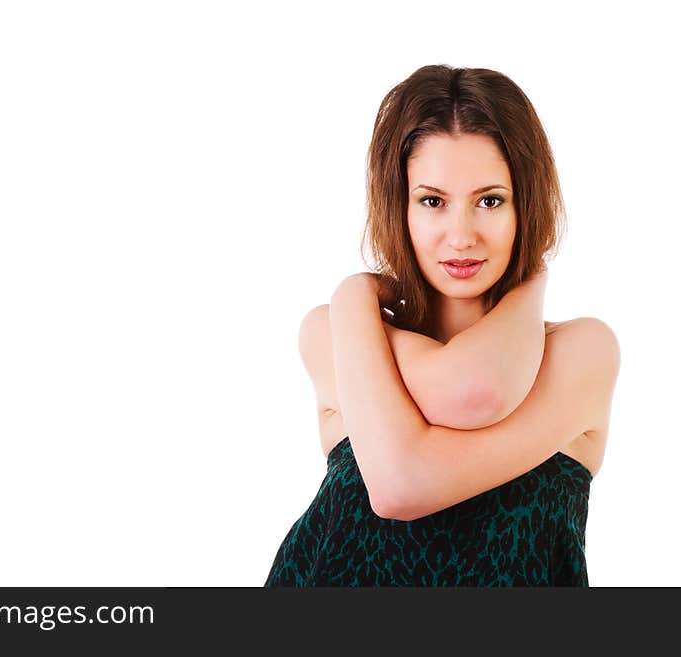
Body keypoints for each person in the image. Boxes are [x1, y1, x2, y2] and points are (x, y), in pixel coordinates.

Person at [264, 64, 621, 586]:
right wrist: (353, 295)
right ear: (399, 207)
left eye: (490, 201)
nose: (461, 236)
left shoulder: (583, 352)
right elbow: (398, 483)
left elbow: (471, 393)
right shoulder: (332, 332)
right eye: (432, 201)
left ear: (527, 207)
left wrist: (531, 278)